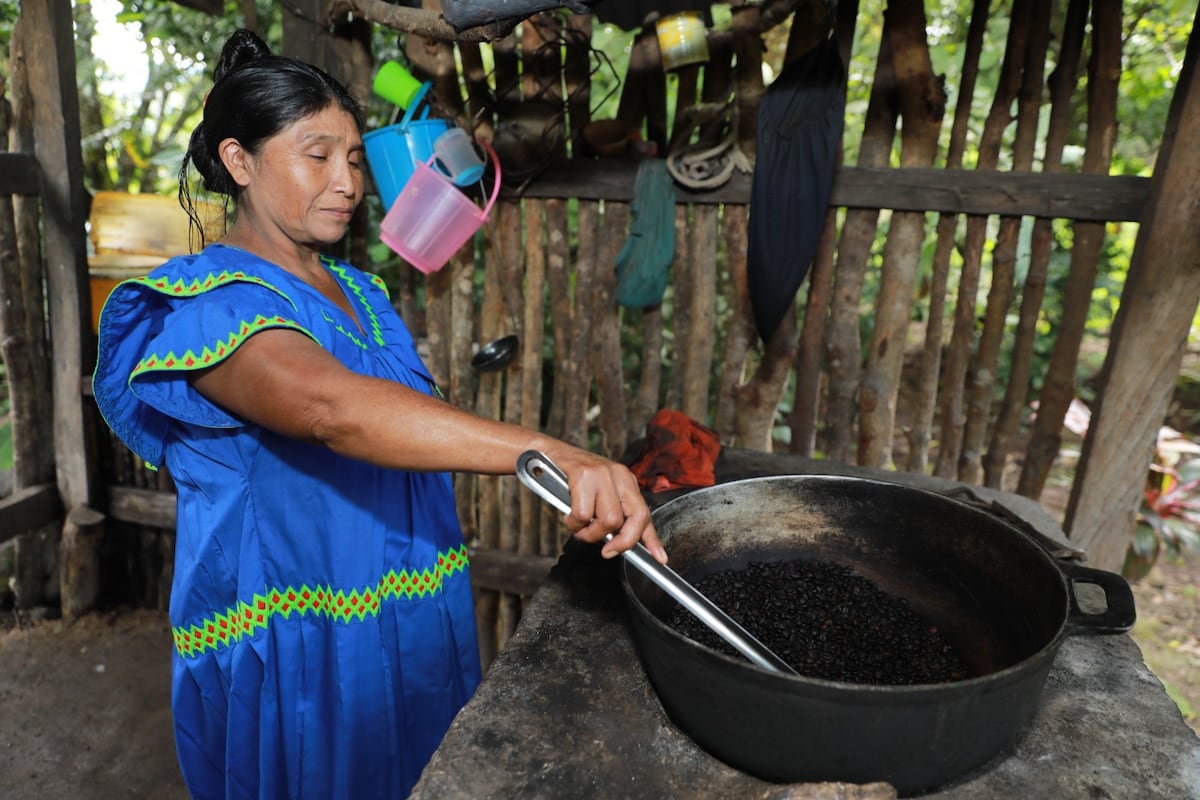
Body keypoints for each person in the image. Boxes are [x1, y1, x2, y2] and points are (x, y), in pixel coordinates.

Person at [91, 29, 666, 800]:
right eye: (318, 155)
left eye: (356, 159)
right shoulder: (209, 305)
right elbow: (332, 408)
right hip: (302, 643)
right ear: (239, 161)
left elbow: (397, 420)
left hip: (410, 613)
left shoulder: (361, 292)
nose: (348, 182)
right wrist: (549, 452)